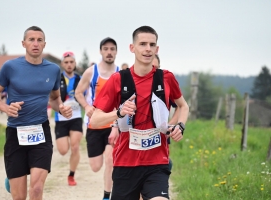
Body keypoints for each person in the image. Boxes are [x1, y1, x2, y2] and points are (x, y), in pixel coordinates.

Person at [90, 25, 189, 200]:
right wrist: (118, 113)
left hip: (157, 163)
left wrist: (179, 125)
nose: (147, 49)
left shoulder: (166, 78)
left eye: (152, 45)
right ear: (132, 48)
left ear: (157, 49)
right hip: (125, 164)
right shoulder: (118, 79)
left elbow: (183, 106)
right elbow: (95, 120)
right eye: (142, 44)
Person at [0, 26, 72, 200]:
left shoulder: (53, 70)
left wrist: (61, 107)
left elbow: (54, 99)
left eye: (39, 40)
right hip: (15, 133)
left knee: (37, 189)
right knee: (19, 197)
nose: (35, 43)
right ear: (23, 43)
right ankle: (13, 177)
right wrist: (5, 108)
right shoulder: (10, 67)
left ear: (44, 44)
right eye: (31, 39)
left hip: (40, 133)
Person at [75, 37, 119, 200]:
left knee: (110, 160)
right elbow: (78, 93)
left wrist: (117, 123)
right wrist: (86, 107)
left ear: (116, 52)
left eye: (112, 49)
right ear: (101, 51)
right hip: (94, 125)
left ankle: (107, 196)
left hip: (113, 124)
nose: (109, 52)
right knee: (95, 166)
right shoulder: (91, 72)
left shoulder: (120, 73)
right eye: (106, 49)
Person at [54, 51, 83, 186]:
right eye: (66, 62)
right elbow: (50, 97)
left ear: (75, 63)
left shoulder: (81, 79)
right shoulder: (56, 79)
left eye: (71, 62)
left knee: (75, 147)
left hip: (76, 117)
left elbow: (88, 96)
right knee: (63, 150)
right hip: (61, 118)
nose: (69, 65)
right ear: (62, 64)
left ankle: (71, 175)